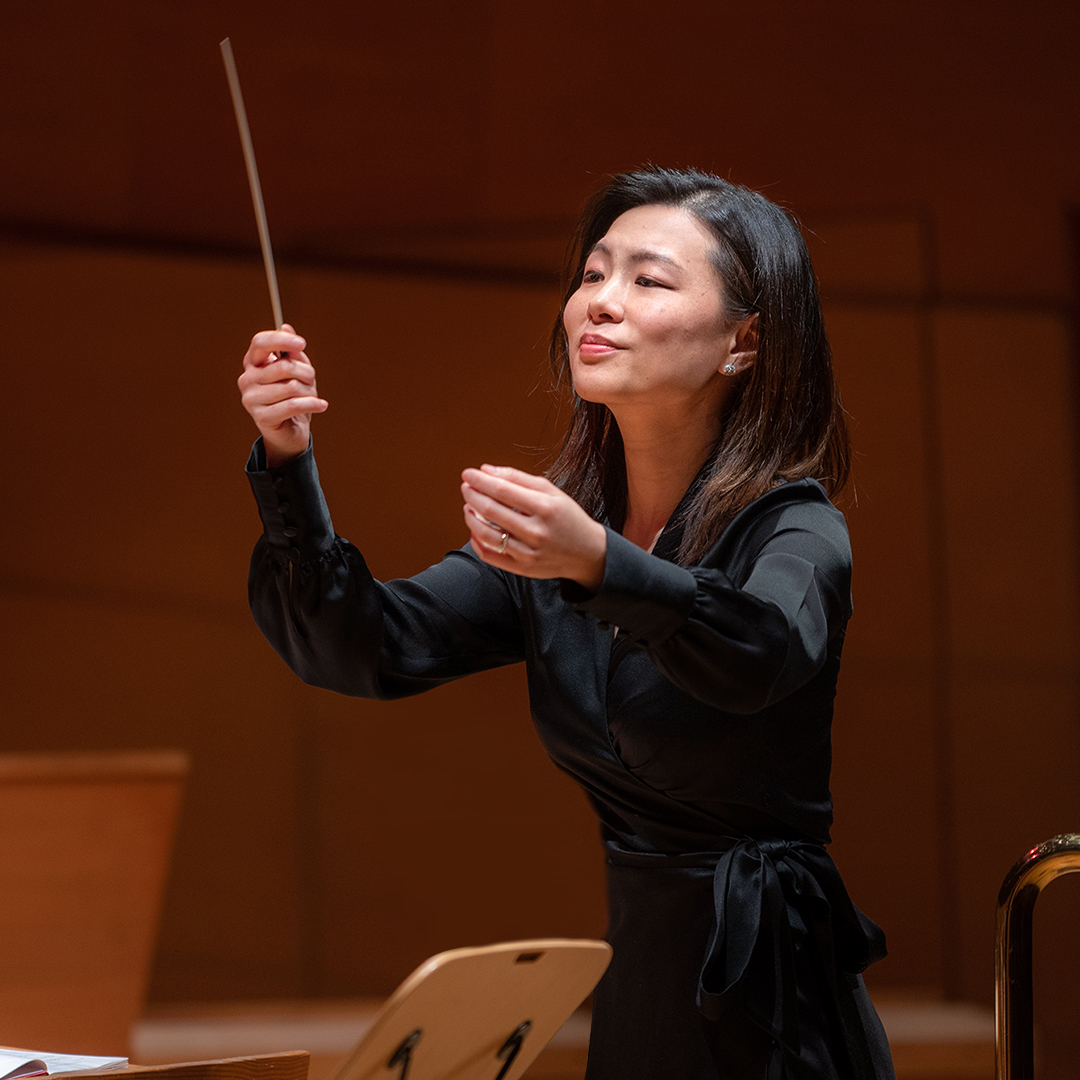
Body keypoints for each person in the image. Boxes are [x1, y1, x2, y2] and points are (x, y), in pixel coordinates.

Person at [238, 167, 895, 1080]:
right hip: (639, 993)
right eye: (592, 274)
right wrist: (287, 463)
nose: (600, 304)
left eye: (647, 280)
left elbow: (758, 651)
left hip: (777, 997)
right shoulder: (561, 541)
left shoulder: (795, 528)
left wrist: (596, 562)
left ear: (745, 342)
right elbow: (364, 647)